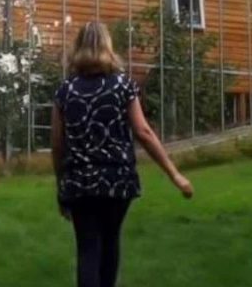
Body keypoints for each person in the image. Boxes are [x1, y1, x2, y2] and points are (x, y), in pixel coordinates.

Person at [51, 21, 194, 287]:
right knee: (110, 242)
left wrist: (61, 187)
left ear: (78, 48)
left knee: (88, 249)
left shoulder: (65, 91)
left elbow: (58, 145)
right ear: (108, 46)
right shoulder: (122, 86)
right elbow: (143, 132)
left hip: (79, 183)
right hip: (117, 181)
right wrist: (175, 175)